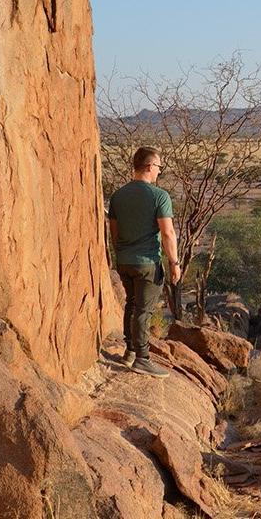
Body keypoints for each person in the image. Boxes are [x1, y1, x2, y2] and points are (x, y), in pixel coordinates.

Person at [106, 146, 182, 378]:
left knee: (130, 303)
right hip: (148, 262)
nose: (160, 171)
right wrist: (174, 263)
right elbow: (168, 233)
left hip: (125, 261)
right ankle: (142, 358)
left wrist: (122, 253)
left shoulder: (118, 196)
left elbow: (114, 231)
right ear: (149, 167)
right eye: (159, 167)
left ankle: (129, 351)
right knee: (144, 310)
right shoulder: (159, 196)